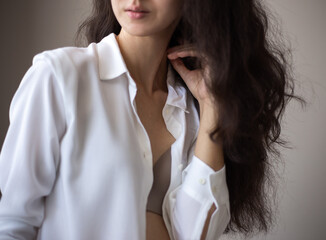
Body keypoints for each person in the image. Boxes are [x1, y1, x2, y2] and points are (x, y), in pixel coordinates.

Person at [0, 0, 304, 239]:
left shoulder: (192, 104)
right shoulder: (59, 76)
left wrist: (211, 107)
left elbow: (196, 233)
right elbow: (13, 223)